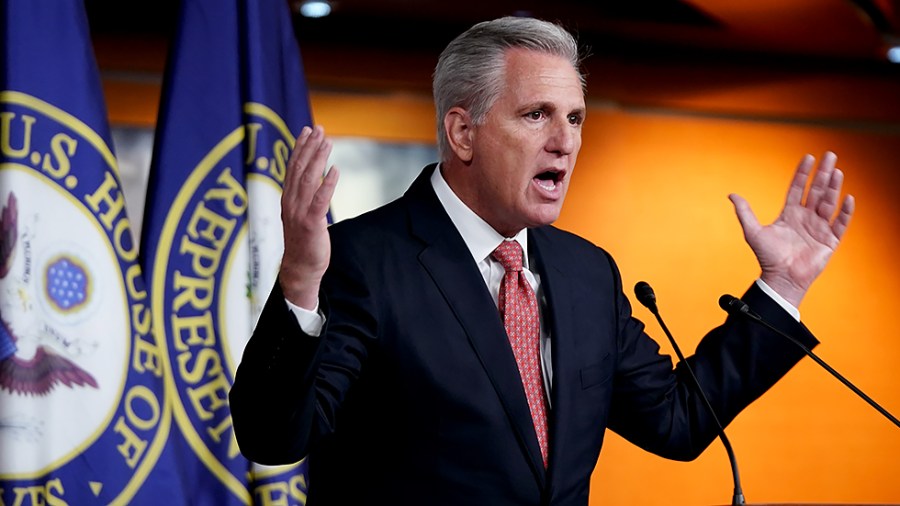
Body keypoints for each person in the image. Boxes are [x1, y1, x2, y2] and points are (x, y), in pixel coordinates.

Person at [229, 16, 854, 505]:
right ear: (463, 133)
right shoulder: (365, 260)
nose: (565, 141)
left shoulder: (587, 273)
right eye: (537, 115)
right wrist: (301, 283)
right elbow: (275, 438)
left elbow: (679, 420)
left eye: (576, 118)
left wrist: (781, 287)